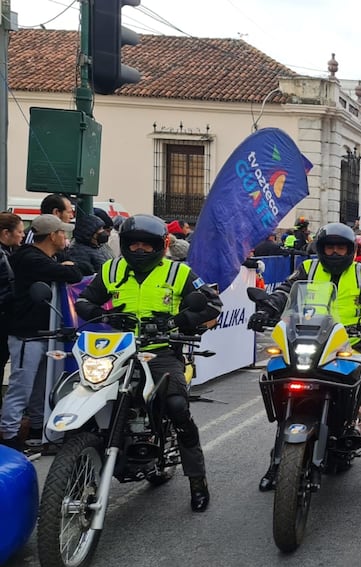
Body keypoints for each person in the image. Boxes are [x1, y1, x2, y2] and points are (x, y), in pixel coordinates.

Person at [74, 215, 222, 512]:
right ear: (125, 245)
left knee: (177, 406)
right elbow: (83, 301)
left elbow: (212, 303)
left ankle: (197, 480)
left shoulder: (179, 273)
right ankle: (76, 469)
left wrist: (179, 320)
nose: (140, 249)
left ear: (160, 246)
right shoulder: (111, 269)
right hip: (119, 350)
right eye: (134, 243)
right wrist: (102, 314)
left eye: (147, 244)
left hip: (160, 352)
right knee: (85, 398)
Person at [247, 223, 361, 493]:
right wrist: (267, 308)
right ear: (321, 249)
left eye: (341, 248)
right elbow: (285, 292)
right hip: (309, 343)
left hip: (351, 347)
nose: (335, 253)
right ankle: (276, 464)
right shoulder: (307, 270)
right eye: (330, 247)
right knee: (284, 390)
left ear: (350, 251)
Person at [1, 215, 83, 451]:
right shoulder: (30, 259)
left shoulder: (47, 257)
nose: (65, 237)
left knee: (40, 386)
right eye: (62, 233)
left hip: (43, 333)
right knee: (21, 386)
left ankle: (37, 429)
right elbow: (73, 274)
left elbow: (74, 268)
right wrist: (65, 267)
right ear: (52, 236)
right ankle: (9, 435)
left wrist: (64, 264)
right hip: (27, 333)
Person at [0, 213, 25, 409]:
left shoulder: (8, 253)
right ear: (6, 233)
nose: (22, 235)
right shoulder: (3, 256)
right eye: (19, 231)